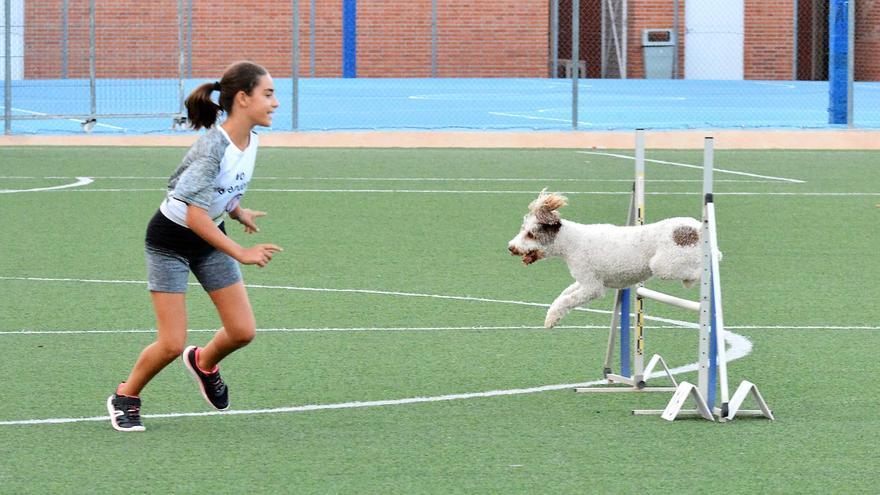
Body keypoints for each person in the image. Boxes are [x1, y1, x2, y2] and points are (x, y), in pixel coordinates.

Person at [107, 61, 282, 432]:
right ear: (242, 98)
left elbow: (221, 190)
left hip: (208, 238)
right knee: (171, 343)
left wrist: (237, 210)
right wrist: (241, 252)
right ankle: (126, 395)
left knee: (242, 331)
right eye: (268, 94)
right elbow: (193, 215)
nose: (275, 102)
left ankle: (203, 363)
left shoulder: (251, 141)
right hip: (170, 242)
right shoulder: (212, 148)